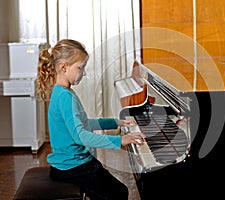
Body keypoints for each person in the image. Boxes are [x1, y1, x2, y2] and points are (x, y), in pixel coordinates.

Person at [36, 39, 145, 200]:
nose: (84, 72)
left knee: (112, 187)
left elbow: (86, 123)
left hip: (70, 164)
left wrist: (117, 122)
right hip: (73, 167)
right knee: (119, 192)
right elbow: (81, 136)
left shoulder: (62, 92)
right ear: (63, 67)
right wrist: (120, 140)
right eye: (80, 67)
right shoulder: (65, 97)